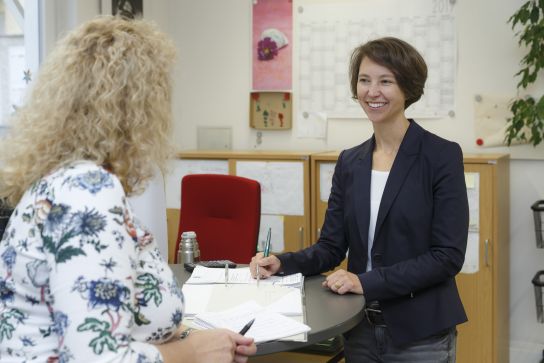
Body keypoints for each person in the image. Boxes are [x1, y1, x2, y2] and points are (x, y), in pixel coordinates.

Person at [0, 17, 256, 363]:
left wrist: (192, 337)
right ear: (138, 107)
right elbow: (98, 359)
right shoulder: (86, 194)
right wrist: (194, 352)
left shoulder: (65, 183)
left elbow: (106, 313)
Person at [250, 37, 468, 362]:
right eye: (364, 80)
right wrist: (284, 263)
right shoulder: (351, 162)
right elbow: (331, 248)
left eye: (385, 81)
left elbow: (447, 256)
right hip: (358, 325)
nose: (371, 91)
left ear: (408, 87)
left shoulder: (440, 156)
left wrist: (366, 282)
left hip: (420, 332)